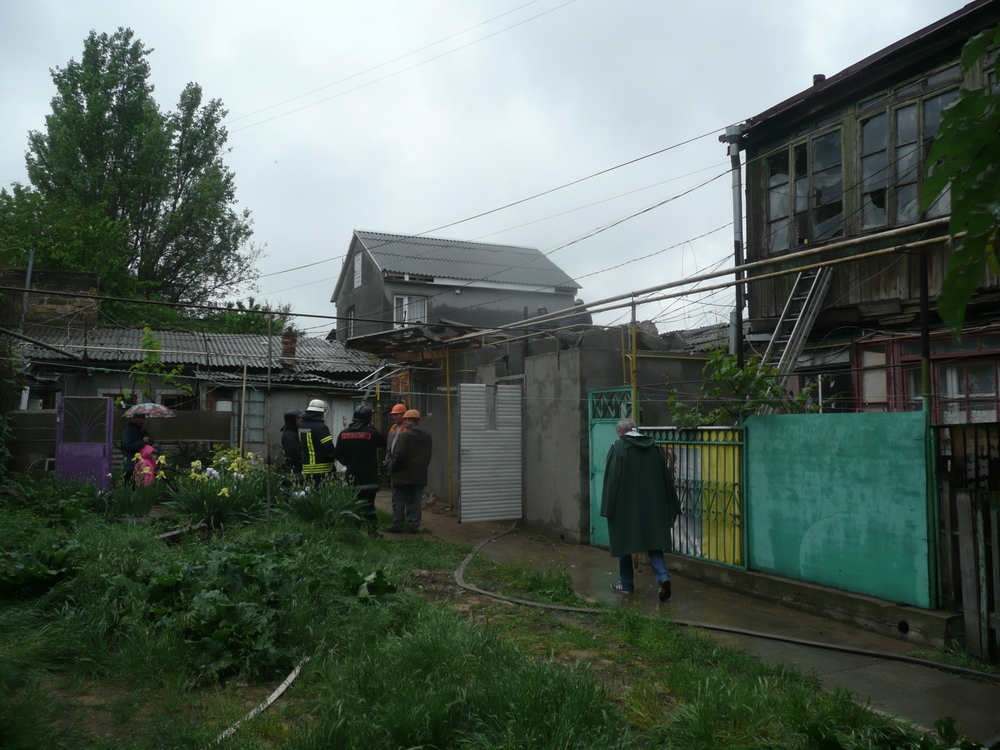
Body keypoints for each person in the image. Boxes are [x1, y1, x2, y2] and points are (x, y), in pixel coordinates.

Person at [601, 417, 680, 602]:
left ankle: (626, 584)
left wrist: (607, 507)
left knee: (624, 543)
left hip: (626, 507)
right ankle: (663, 577)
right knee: (654, 543)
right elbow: (666, 477)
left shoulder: (619, 447)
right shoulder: (654, 447)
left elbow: (613, 479)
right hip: (653, 506)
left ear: (620, 432)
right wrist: (671, 505)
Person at [335, 403, 387, 533]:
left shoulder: (343, 434)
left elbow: (338, 455)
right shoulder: (372, 433)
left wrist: (348, 464)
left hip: (352, 477)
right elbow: (382, 444)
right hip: (369, 476)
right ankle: (372, 531)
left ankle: (355, 530)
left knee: (354, 505)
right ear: (368, 418)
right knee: (369, 505)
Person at [385, 409, 432, 534]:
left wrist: (393, 468)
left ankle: (397, 525)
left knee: (400, 500)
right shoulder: (427, 435)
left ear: (412, 422)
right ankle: (414, 526)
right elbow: (428, 455)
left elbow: (399, 455)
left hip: (403, 474)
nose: (404, 422)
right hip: (420, 474)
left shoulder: (405, 435)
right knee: (416, 501)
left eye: (406, 420)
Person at [298, 399, 336, 483]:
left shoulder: (301, 426)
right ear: (321, 413)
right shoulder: (321, 427)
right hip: (322, 469)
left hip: (307, 468)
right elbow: (328, 448)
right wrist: (334, 455)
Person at [121, 413, 153, 485]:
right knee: (131, 486)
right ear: (133, 418)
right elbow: (127, 447)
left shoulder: (140, 430)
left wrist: (144, 431)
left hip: (142, 464)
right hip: (131, 465)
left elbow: (151, 441)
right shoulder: (129, 430)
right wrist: (142, 442)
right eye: (138, 418)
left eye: (142, 418)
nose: (140, 420)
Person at [384, 403, 408, 471]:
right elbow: (389, 447)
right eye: (393, 415)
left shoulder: (407, 429)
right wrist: (388, 461)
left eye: (396, 415)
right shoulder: (393, 428)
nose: (394, 417)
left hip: (403, 463)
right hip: (392, 462)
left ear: (403, 415)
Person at [281, 408, 303, 475]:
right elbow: (295, 454)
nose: (301, 420)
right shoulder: (289, 435)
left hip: (297, 467)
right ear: (292, 420)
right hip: (294, 468)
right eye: (298, 418)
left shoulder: (295, 432)